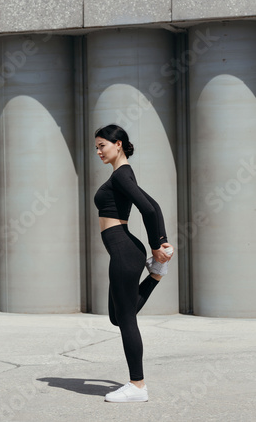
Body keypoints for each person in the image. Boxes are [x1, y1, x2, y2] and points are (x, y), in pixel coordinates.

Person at [94, 124, 174, 403]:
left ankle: (137, 386)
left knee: (126, 318)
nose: (98, 151)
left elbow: (149, 209)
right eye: (96, 147)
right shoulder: (122, 175)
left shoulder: (121, 174)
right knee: (117, 316)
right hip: (124, 250)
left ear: (118, 144)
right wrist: (161, 242)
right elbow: (154, 205)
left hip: (125, 251)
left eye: (102, 145)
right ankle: (155, 274)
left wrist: (157, 246)